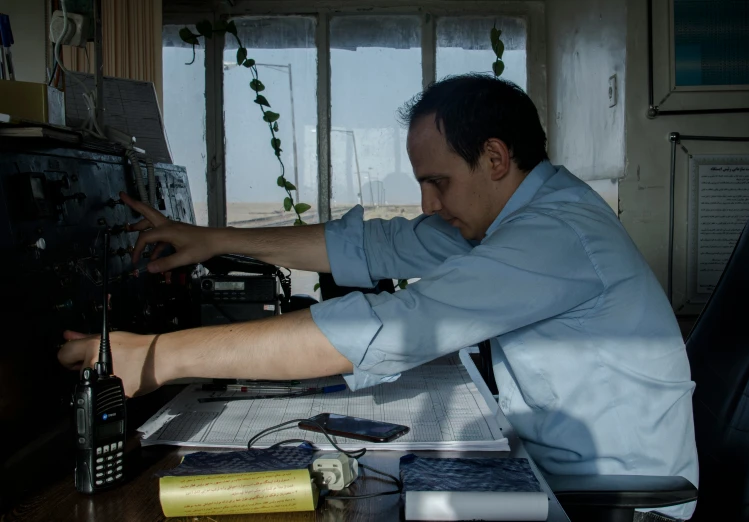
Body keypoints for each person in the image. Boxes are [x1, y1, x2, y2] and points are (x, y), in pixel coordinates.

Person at [58, 74, 698, 521]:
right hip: (554, 469)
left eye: (437, 181)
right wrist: (210, 239)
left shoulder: (553, 236)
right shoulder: (511, 218)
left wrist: (157, 357)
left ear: (496, 158)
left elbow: (393, 325)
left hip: (615, 502)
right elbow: (373, 248)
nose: (428, 203)